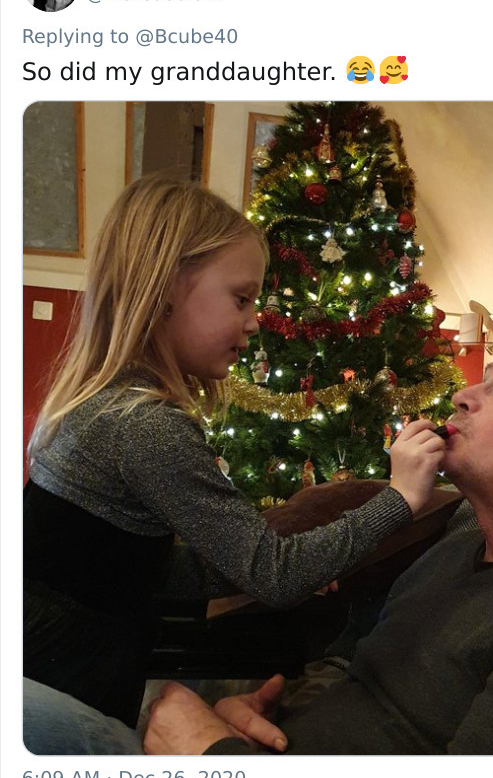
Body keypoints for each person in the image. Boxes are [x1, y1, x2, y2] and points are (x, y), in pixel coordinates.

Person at [24, 331, 493, 755]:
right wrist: (259, 711)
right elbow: (352, 665)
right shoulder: (460, 540)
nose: (462, 394)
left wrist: (214, 760)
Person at [24, 175, 444, 728]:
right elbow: (276, 576)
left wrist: (298, 559)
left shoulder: (103, 401)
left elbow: (123, 566)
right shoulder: (147, 426)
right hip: (64, 676)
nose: (254, 321)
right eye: (241, 298)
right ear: (165, 287)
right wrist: (401, 497)